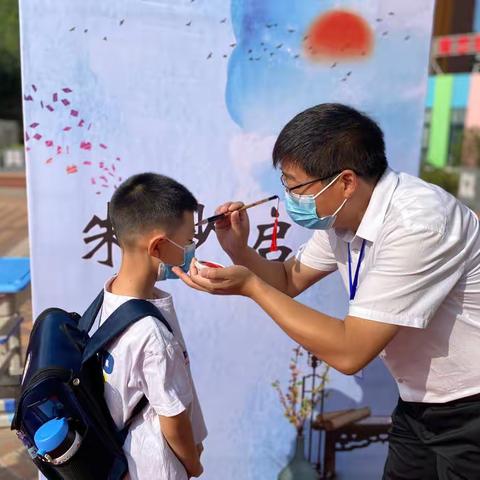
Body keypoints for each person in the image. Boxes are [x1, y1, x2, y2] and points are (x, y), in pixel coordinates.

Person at [174, 104, 480, 479]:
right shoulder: (344, 219)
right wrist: (239, 250)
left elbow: (351, 351)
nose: (288, 197)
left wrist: (250, 287)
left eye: (294, 185)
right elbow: (288, 280)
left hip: (470, 408)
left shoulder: (419, 224)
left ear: (346, 182)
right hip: (419, 405)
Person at [89, 172, 207, 479]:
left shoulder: (111, 296)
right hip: (156, 468)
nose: (191, 247)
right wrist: (193, 463)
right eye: (187, 240)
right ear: (157, 248)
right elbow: (173, 419)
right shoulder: (152, 336)